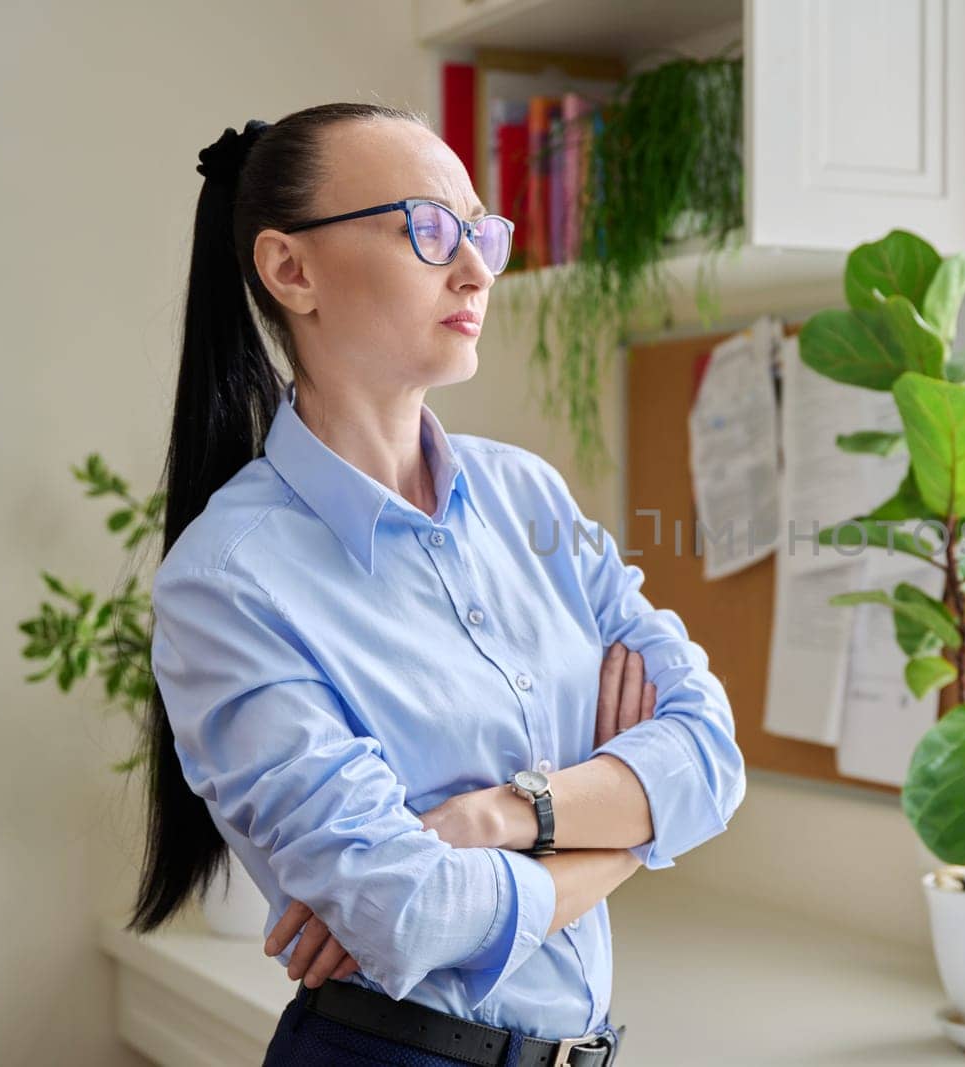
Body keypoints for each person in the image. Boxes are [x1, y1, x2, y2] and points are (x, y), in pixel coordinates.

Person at [125, 102, 747, 1066]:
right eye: (427, 227)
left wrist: (496, 817)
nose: (477, 268)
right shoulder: (226, 581)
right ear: (292, 269)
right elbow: (406, 906)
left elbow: (710, 752)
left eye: (480, 229)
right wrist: (630, 830)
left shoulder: (525, 494)